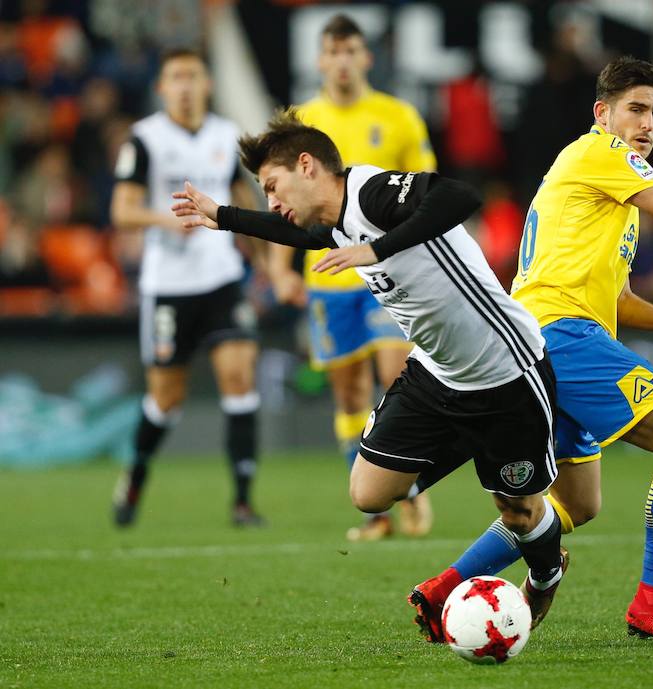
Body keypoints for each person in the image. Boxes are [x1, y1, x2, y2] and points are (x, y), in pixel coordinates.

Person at [409, 55, 653, 642]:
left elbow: (614, 297)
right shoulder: (602, 153)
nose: (648, 124)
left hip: (543, 336)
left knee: (576, 502)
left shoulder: (612, 190)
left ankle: (442, 588)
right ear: (604, 113)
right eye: (637, 110)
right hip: (562, 335)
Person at [171, 112, 568, 628]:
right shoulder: (333, 222)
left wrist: (376, 247)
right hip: (437, 374)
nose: (271, 202)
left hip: (507, 371)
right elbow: (301, 237)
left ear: (307, 166)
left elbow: (461, 197)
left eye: (272, 186)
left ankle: (545, 576)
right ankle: (476, 441)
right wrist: (223, 216)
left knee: (519, 512)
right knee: (368, 495)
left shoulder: (372, 192)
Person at [270, 14, 437, 542]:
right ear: (319, 60)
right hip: (326, 277)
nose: (342, 61)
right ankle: (377, 514)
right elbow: (281, 201)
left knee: (395, 375)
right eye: (333, 52)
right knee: (347, 394)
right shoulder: (300, 121)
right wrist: (278, 268)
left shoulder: (399, 117)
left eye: (351, 51)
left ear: (366, 57)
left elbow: (427, 192)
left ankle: (409, 487)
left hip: (388, 273)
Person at [110, 48, 264, 527]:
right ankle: (135, 473)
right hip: (168, 286)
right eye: (175, 77)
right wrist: (166, 219)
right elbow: (121, 210)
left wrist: (263, 263)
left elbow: (241, 200)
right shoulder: (145, 139)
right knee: (166, 399)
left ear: (207, 84)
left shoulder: (225, 135)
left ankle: (242, 501)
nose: (184, 85)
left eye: (192, 76)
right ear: (161, 87)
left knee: (240, 379)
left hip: (221, 279)